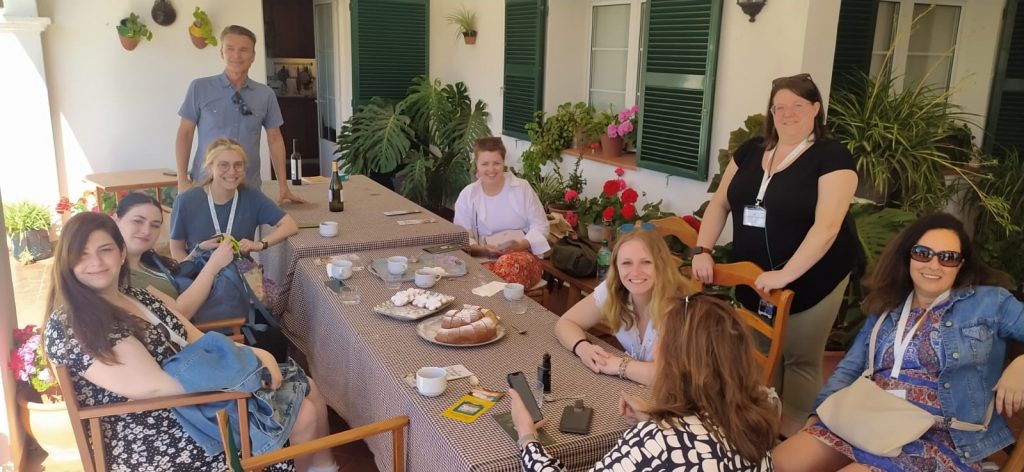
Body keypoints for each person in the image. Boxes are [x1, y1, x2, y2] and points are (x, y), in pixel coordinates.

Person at [43, 212, 339, 471]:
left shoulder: (136, 296)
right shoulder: (74, 322)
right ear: (66, 262)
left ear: (121, 254)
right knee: (302, 413)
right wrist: (248, 376)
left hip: (198, 399)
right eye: (81, 254)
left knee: (307, 388)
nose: (94, 262)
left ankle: (324, 468)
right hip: (156, 430)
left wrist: (262, 355)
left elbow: (196, 338)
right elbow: (155, 386)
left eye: (105, 250)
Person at [774, 213, 1024, 471]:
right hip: (872, 416)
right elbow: (850, 367)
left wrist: (1021, 364)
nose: (934, 265)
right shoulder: (889, 304)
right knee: (782, 461)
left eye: (947, 258)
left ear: (961, 264)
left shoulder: (990, 302)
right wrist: (819, 414)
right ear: (908, 256)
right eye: (923, 253)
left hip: (940, 434)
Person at [692, 72, 858, 436]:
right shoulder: (752, 150)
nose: (788, 113)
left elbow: (827, 227)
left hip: (814, 275)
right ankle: (761, 429)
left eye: (798, 105)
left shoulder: (832, 156)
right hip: (755, 275)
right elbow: (720, 203)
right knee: (759, 351)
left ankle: (791, 439)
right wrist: (702, 249)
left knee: (798, 357)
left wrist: (785, 276)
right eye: (779, 106)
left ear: (815, 108)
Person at [510, 294, 778, 470]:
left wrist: (527, 438)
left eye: (662, 337)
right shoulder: (754, 422)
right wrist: (653, 419)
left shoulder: (660, 441)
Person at [175, 24, 305, 205]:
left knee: (248, 235)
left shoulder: (265, 94)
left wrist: (283, 185)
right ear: (221, 53)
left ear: (253, 56)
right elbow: (185, 133)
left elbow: (275, 139)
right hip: (205, 185)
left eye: (243, 50)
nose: (236, 55)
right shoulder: (199, 88)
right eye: (230, 49)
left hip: (248, 188)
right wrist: (182, 179)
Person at [554, 226, 689, 386]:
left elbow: (670, 376)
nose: (635, 272)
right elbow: (565, 323)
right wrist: (583, 348)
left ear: (660, 265)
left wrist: (617, 365)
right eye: (626, 263)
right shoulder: (614, 288)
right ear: (616, 267)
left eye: (645, 262)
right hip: (638, 387)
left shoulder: (679, 304)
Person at [169, 138, 298, 261]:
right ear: (210, 168)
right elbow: (176, 249)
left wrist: (260, 244)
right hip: (198, 275)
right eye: (223, 165)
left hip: (239, 276)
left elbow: (290, 225)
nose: (232, 172)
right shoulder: (185, 201)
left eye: (238, 165)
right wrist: (192, 269)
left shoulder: (252, 197)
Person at [115, 192, 234, 320]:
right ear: (116, 220)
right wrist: (213, 266)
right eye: (138, 221)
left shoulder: (145, 258)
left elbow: (171, 276)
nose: (146, 231)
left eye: (155, 225)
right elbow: (179, 313)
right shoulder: (123, 276)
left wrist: (198, 251)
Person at [453, 137, 549, 287]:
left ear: (503, 163)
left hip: (523, 258)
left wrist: (520, 245)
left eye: (496, 163)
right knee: (469, 275)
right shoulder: (468, 194)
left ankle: (494, 305)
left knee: (504, 266)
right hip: (485, 257)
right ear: (476, 164)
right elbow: (461, 236)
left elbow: (541, 226)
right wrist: (483, 249)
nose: (491, 170)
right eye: (485, 164)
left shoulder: (522, 188)